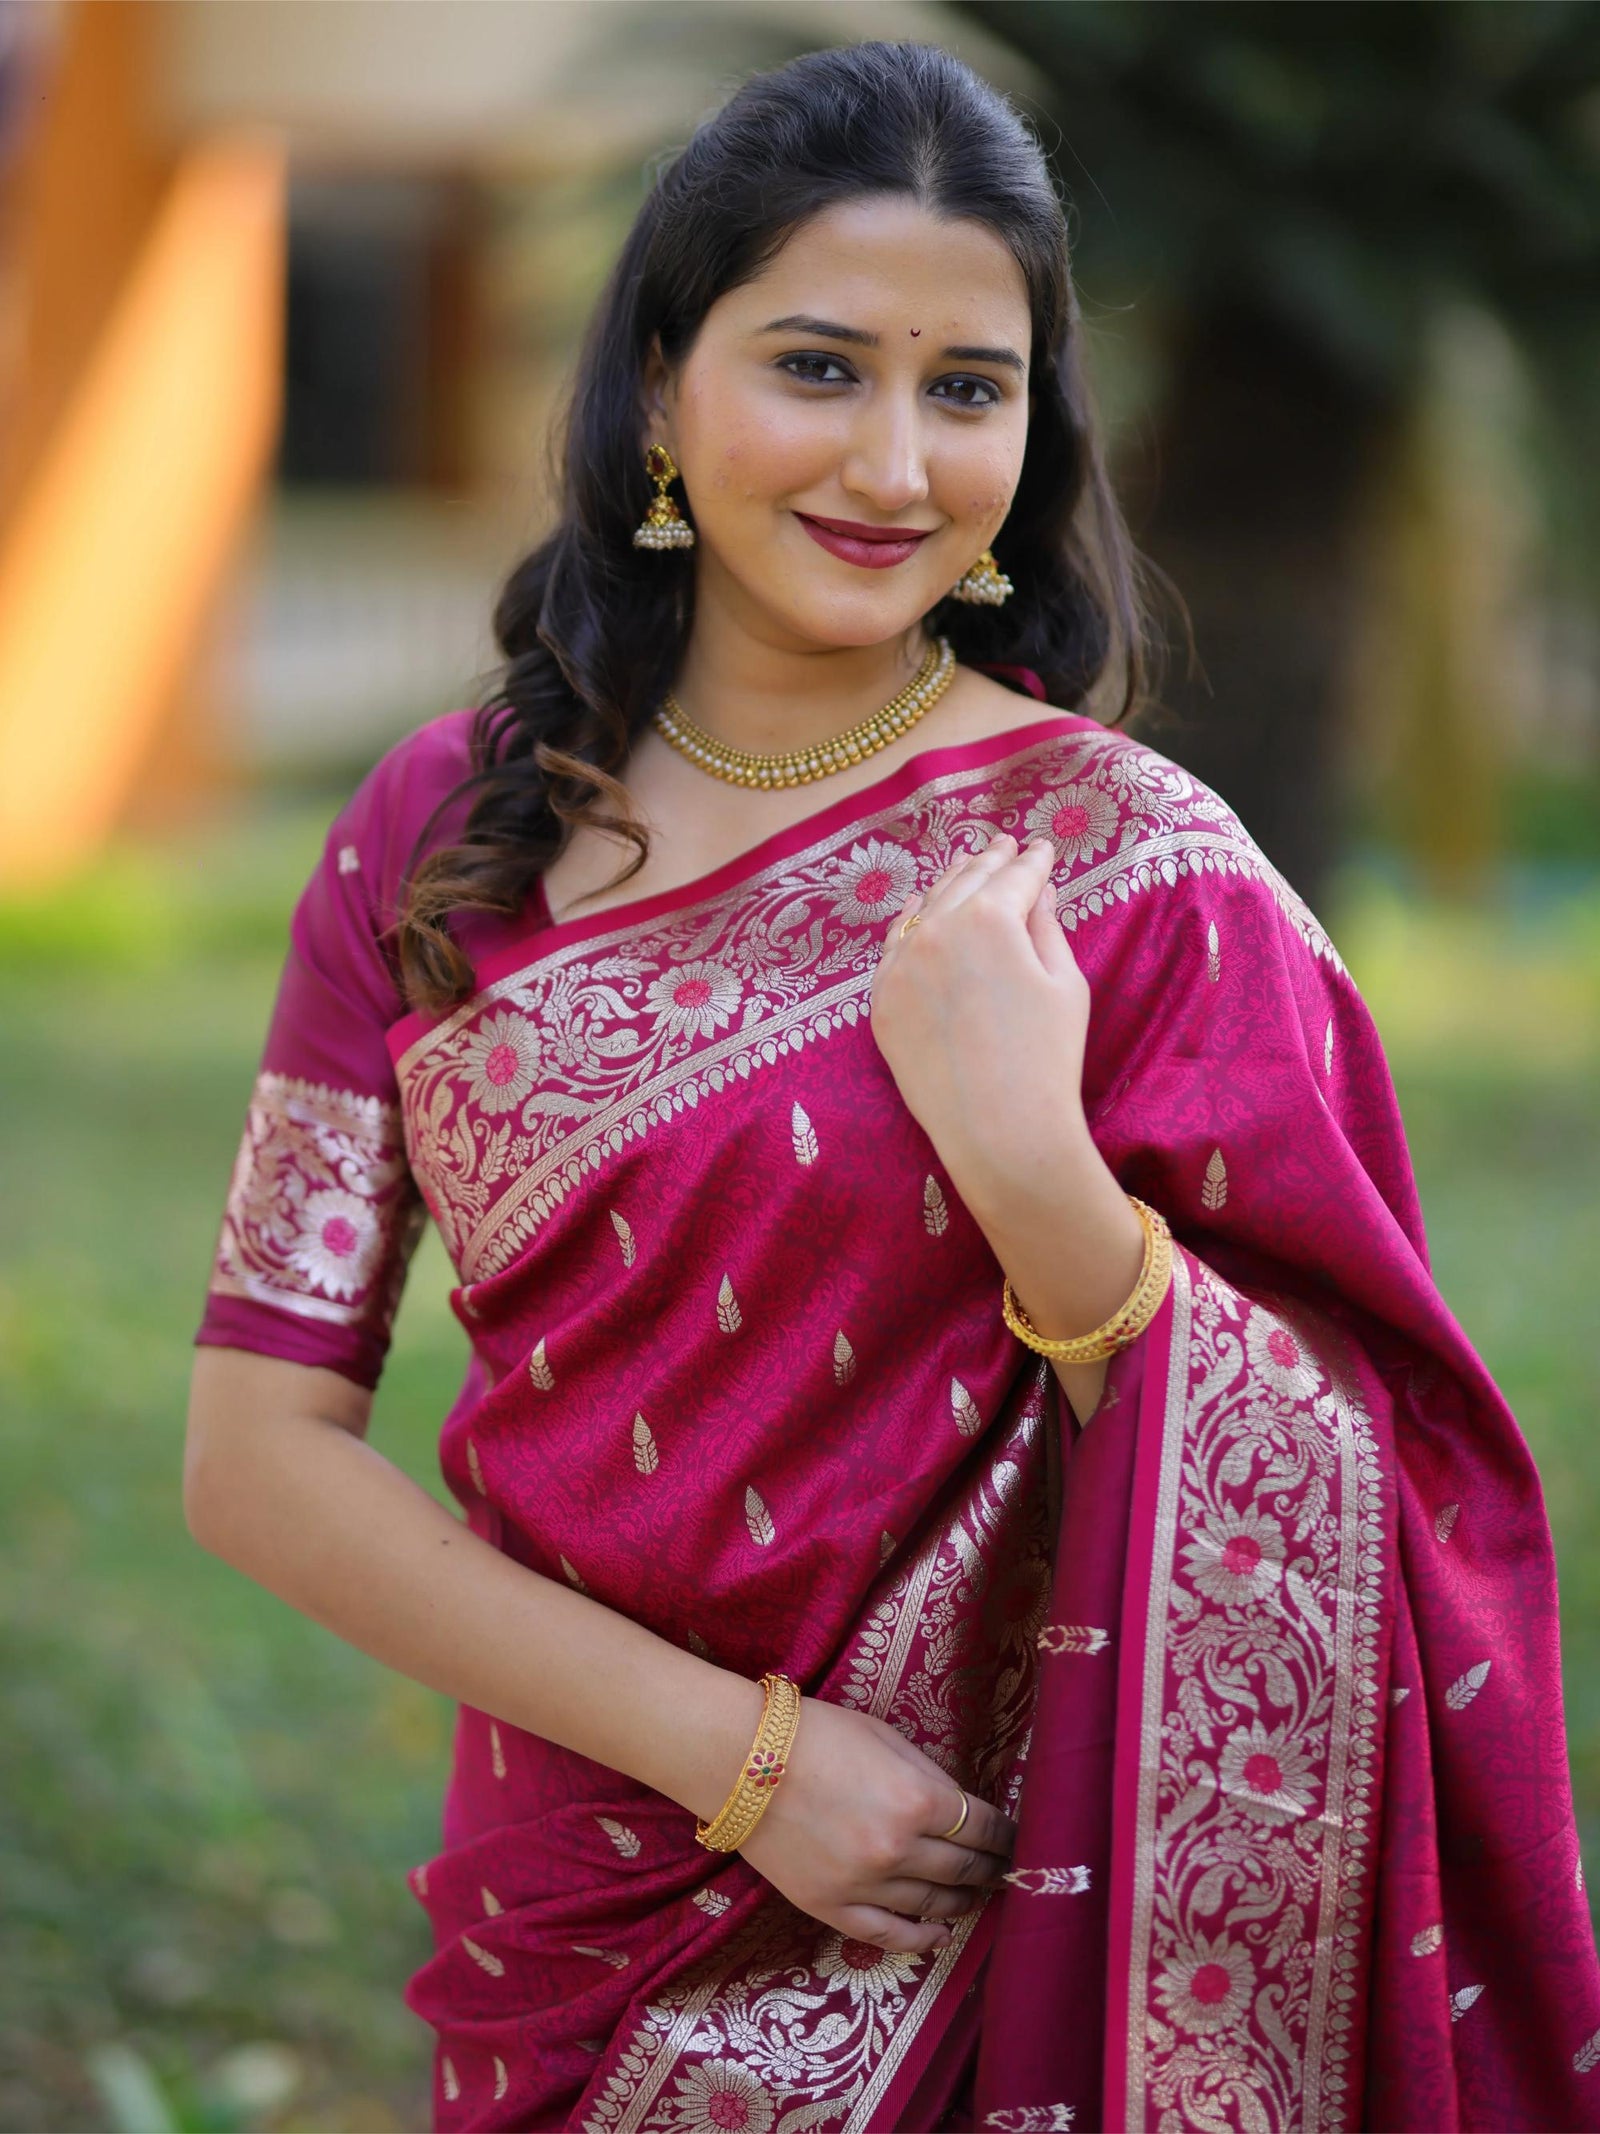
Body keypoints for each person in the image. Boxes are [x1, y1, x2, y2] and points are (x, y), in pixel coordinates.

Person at [185, 39, 1600, 2134]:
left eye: (967, 389)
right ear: (662, 387)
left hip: (1014, 1900)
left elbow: (1378, 1495)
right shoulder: (434, 835)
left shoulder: (1132, 878)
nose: (896, 465)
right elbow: (255, 1451)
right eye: (818, 367)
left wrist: (1034, 1169)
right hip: (581, 1899)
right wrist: (746, 1762)